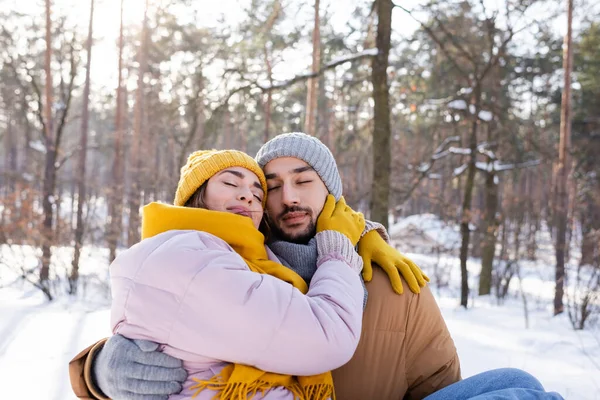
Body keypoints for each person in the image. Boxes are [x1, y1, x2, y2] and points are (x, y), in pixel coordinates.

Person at [72, 133, 562, 399]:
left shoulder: (396, 282)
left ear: (331, 193)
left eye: (303, 180)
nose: (288, 197)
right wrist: (98, 372)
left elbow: (437, 385)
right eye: (272, 184)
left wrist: (358, 238)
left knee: (520, 385)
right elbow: (161, 326)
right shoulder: (233, 262)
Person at [97, 148, 369, 399]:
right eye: (230, 183)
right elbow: (324, 338)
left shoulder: (253, 263)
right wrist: (96, 369)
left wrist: (368, 235)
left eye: (258, 193)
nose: (248, 195)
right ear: (196, 196)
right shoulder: (190, 256)